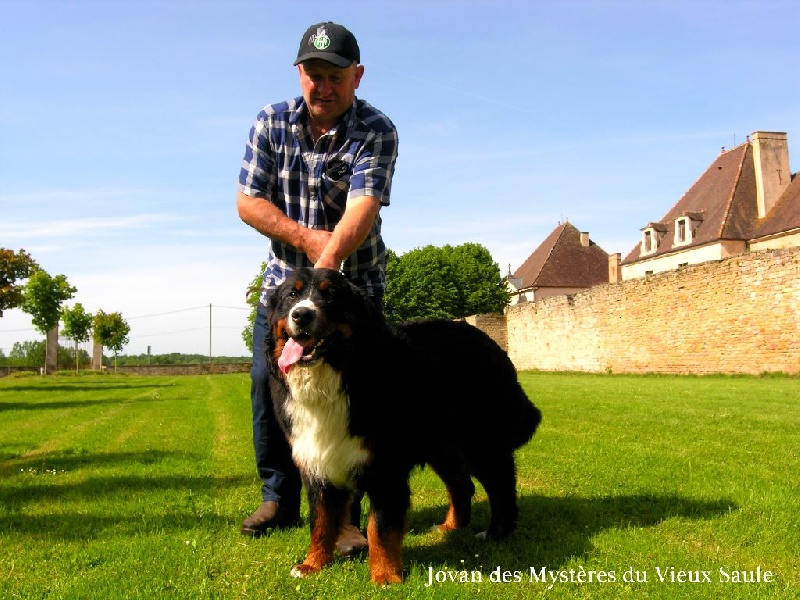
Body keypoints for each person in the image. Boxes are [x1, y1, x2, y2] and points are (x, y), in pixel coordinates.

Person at [236, 21, 399, 554]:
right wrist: (304, 247)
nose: (322, 86)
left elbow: (362, 210)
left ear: (357, 77)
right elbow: (248, 202)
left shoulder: (377, 129)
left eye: (334, 75)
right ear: (298, 73)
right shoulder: (270, 121)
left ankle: (347, 519)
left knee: (357, 401)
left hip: (355, 291)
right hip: (284, 288)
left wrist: (321, 284)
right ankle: (278, 498)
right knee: (270, 381)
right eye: (313, 73)